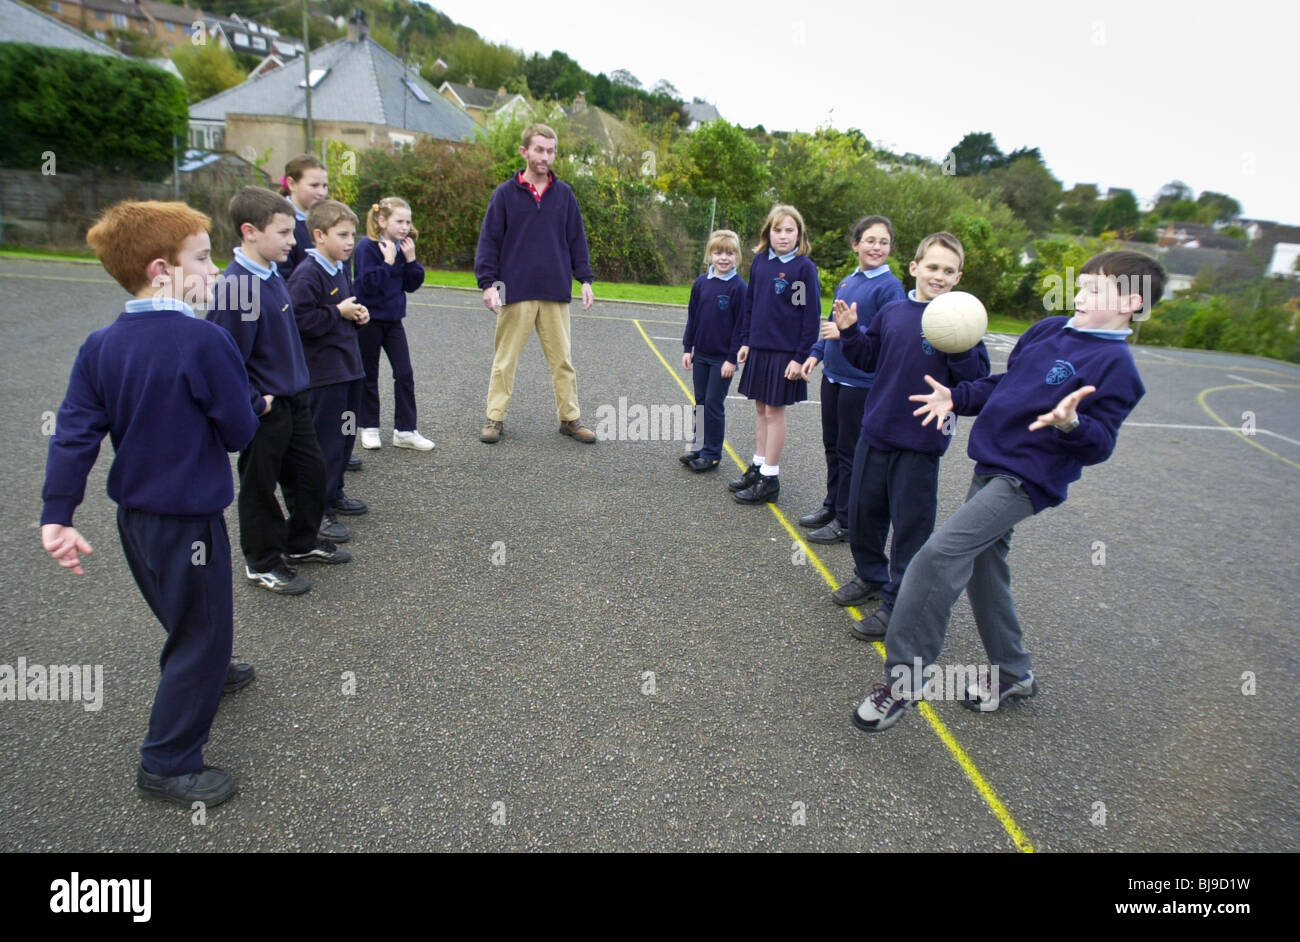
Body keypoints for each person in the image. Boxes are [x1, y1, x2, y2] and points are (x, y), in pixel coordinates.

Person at [852, 250, 1164, 732]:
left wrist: (1071, 423)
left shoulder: (1117, 366)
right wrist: (957, 396)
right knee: (983, 567)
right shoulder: (1047, 330)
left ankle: (904, 680)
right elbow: (1002, 384)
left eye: (1095, 290)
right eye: (1080, 285)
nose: (1079, 295)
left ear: (1132, 303)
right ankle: (1015, 673)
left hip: (1025, 480)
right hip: (991, 463)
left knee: (937, 557)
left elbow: (1099, 444)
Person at [40, 200, 262, 806]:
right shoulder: (205, 340)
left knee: (183, 613)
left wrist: (57, 515)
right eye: (202, 257)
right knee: (202, 633)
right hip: (189, 519)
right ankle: (167, 761)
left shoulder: (100, 345)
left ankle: (204, 675)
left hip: (134, 518)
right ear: (162, 269)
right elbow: (238, 432)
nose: (214, 270)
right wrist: (253, 406)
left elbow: (75, 433)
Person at [829, 232, 990, 639]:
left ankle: (897, 601)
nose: (939, 275)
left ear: (958, 277)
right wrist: (850, 333)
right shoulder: (895, 313)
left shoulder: (963, 326)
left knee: (911, 527)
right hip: (876, 432)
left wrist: (958, 347)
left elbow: (974, 384)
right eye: (932, 267)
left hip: (919, 443)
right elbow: (868, 358)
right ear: (915, 268)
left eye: (948, 270)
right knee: (864, 514)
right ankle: (870, 575)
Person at [208, 186, 348, 596]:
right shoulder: (236, 288)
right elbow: (223, 359)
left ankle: (300, 543)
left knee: (309, 475)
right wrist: (256, 403)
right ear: (249, 231)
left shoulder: (271, 276)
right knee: (259, 488)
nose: (293, 241)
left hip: (295, 398)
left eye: (293, 232)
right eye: (284, 232)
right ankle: (263, 561)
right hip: (267, 408)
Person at [474, 123, 596, 445]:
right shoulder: (504, 194)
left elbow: (576, 240)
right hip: (514, 290)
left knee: (563, 362)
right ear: (524, 151)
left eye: (551, 150)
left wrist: (584, 278)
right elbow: (489, 242)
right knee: (505, 361)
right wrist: (488, 284)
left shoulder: (565, 194)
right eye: (539, 149)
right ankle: (495, 418)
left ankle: (570, 419)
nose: (545, 156)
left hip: (555, 291)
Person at [799, 216, 905, 542]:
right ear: (855, 244)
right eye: (870, 240)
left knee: (849, 452)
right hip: (834, 376)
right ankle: (832, 504)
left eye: (883, 242)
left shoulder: (891, 288)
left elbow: (892, 336)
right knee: (832, 446)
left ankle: (846, 520)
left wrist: (850, 331)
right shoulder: (848, 281)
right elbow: (831, 323)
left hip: (860, 382)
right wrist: (816, 353)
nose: (876, 247)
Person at [287, 199, 370, 547]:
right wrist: (338, 311)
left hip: (348, 368)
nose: (351, 241)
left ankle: (334, 491)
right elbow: (300, 321)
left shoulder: (338, 266)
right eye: (343, 234)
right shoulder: (308, 273)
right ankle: (318, 513)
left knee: (344, 438)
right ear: (319, 235)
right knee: (325, 443)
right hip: (324, 375)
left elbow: (340, 312)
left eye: (353, 234)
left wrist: (356, 314)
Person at [729, 204, 821, 504]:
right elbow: (751, 305)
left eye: (789, 230)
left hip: (785, 353)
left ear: (799, 234)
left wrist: (800, 356)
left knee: (773, 411)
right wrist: (745, 341)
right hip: (759, 349)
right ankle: (757, 466)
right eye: (777, 230)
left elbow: (808, 315)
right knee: (760, 409)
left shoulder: (801, 268)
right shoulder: (760, 263)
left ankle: (770, 477)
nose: (783, 236)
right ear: (768, 232)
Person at [354, 196, 433, 452]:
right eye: (399, 221)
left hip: (393, 322)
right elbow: (367, 286)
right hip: (368, 320)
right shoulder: (367, 248)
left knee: (404, 373)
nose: (405, 227)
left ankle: (405, 430)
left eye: (408, 222)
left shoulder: (403, 247)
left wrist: (410, 260)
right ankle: (369, 427)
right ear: (381, 220)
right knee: (368, 374)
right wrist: (387, 262)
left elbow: (412, 285)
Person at [680, 229, 748, 473]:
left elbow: (741, 327)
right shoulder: (701, 283)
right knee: (700, 402)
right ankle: (698, 446)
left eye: (729, 253)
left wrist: (732, 359)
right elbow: (693, 317)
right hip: (701, 356)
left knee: (713, 403)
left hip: (722, 360)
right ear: (710, 254)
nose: (723, 258)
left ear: (737, 256)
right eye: (718, 252)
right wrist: (688, 348)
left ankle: (712, 453)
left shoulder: (739, 288)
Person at [278, 154, 328, 281]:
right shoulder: (277, 223)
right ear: (291, 184)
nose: (322, 192)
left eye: (325, 186)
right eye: (314, 185)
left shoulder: (327, 222)